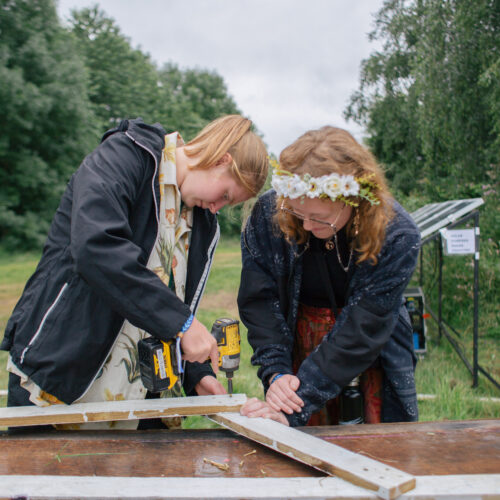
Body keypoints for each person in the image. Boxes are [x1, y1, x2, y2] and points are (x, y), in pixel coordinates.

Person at [2, 115, 268, 430]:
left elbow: (169, 301)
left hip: (144, 404)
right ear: (220, 160)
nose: (216, 208)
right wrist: (182, 324)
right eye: (225, 195)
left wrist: (195, 374)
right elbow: (96, 248)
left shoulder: (204, 225)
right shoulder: (127, 156)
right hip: (62, 378)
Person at [238, 126, 420, 427]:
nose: (307, 226)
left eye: (320, 218)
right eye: (298, 214)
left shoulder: (397, 235)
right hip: (298, 341)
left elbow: (364, 326)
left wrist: (307, 392)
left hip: (368, 347)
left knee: (379, 450)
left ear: (352, 199)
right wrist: (278, 373)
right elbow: (260, 300)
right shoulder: (272, 212)